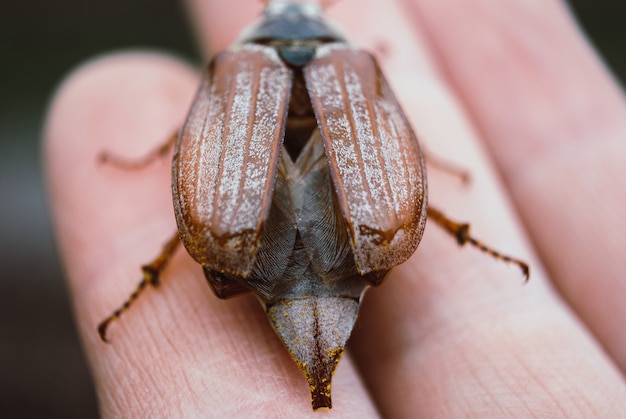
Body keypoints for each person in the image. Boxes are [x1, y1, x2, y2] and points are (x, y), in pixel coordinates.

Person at [43, 0, 626, 416]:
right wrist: (432, 164)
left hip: (256, 242)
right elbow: (390, 130)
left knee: (227, 152)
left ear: (255, 30)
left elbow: (198, 135)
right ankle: (461, 234)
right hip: (346, 236)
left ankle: (154, 274)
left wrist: (157, 152)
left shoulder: (232, 68)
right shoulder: (359, 66)